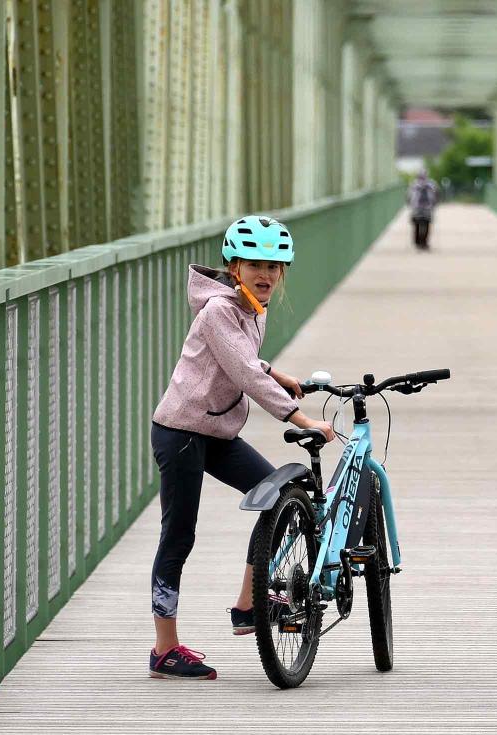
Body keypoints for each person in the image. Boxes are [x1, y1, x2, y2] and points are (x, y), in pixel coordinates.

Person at [147, 214, 336, 680]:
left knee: (278, 496)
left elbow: (247, 360)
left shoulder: (250, 307)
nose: (266, 273)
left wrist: (279, 374)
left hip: (218, 433)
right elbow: (244, 373)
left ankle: (248, 606)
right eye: (255, 263)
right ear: (234, 266)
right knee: (179, 535)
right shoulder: (217, 310)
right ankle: (164, 650)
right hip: (182, 433)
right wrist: (300, 417)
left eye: (275, 265)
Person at [408, 170, 439, 250]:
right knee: (427, 225)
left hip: (417, 208)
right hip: (427, 208)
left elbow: (409, 196)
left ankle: (418, 242)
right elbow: (437, 194)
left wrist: (410, 205)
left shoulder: (414, 184)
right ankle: (424, 243)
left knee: (417, 225)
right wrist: (434, 205)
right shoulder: (432, 184)